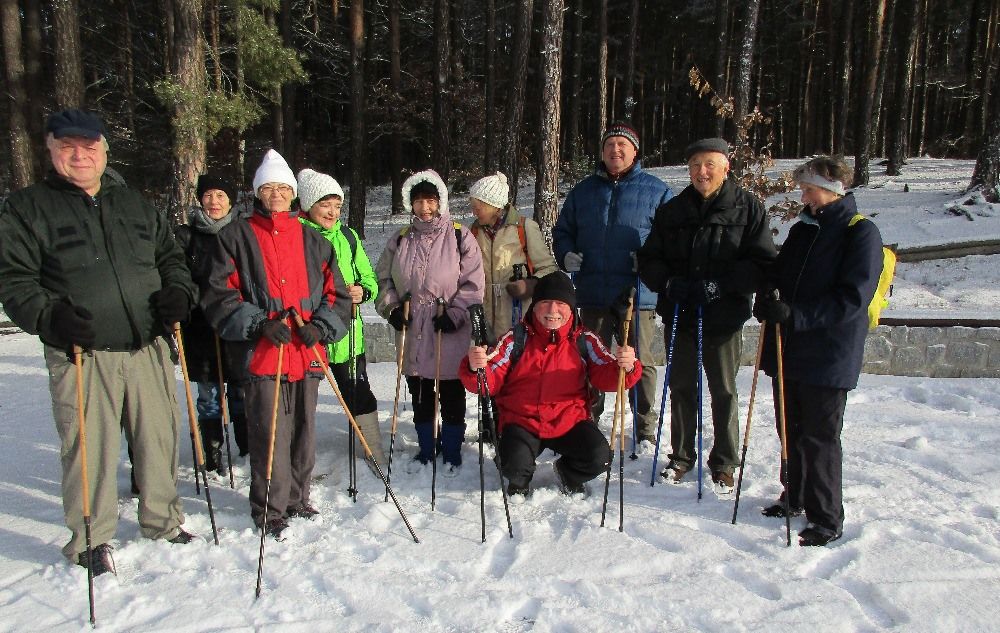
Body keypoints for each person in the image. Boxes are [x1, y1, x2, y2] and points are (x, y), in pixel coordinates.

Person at [0, 108, 196, 576]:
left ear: (105, 150)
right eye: (68, 147)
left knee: (158, 437)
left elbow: (171, 258)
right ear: (50, 149)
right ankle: (91, 537)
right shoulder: (27, 208)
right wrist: (50, 317)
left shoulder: (134, 203)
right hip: (81, 351)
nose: (80, 156)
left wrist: (178, 294)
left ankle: (163, 520)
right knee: (89, 446)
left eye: (90, 147)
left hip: (147, 345)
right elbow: (14, 279)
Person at [201, 150, 349, 538]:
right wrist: (259, 324)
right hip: (263, 353)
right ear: (257, 193)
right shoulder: (235, 236)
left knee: (304, 429)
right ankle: (269, 507)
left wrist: (321, 326)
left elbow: (336, 295)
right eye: (269, 187)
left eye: (284, 187)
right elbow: (220, 294)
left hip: (305, 350)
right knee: (270, 431)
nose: (278, 193)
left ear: (293, 192)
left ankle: (299, 498)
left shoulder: (312, 239)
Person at [753, 156, 883, 546]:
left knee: (820, 435)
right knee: (789, 427)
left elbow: (852, 298)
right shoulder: (804, 229)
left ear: (832, 187)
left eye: (808, 187)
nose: (803, 194)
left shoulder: (860, 233)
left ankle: (826, 516)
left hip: (828, 352)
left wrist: (796, 315)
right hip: (789, 348)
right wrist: (766, 300)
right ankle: (794, 495)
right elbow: (778, 274)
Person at [638, 137, 777, 492]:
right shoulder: (674, 210)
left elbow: (761, 262)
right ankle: (681, 455)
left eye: (710, 164)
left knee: (724, 390)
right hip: (681, 314)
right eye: (696, 164)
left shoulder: (747, 208)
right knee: (682, 387)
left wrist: (721, 286)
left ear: (726, 167)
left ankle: (725, 461)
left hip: (723, 317)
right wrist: (668, 284)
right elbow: (650, 259)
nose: (702, 171)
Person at [458, 272, 641, 496]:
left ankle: (569, 473)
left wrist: (626, 366)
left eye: (561, 304)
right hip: (522, 421)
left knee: (599, 457)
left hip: (569, 421)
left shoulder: (585, 340)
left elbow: (608, 374)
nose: (553, 311)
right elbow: (489, 380)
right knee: (513, 465)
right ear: (534, 306)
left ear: (571, 309)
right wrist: (476, 367)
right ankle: (518, 480)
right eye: (545, 303)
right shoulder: (515, 339)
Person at [552, 121, 673, 446]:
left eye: (622, 145)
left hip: (638, 292)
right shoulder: (583, 191)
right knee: (592, 358)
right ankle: (587, 421)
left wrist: (651, 260)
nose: (615, 151)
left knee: (639, 361)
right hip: (592, 293)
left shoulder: (657, 191)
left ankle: (645, 429)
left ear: (634, 151)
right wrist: (566, 255)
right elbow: (562, 231)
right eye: (609, 146)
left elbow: (671, 239)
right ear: (602, 152)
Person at [375, 169, 485, 476]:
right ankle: (427, 445)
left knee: (451, 391)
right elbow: (382, 278)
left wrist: (455, 314)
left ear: (441, 202)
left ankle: (451, 447)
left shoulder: (460, 235)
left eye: (431, 201)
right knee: (420, 391)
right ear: (410, 204)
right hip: (413, 330)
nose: (425, 208)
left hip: (447, 327)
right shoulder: (399, 239)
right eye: (419, 201)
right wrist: (391, 308)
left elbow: (474, 283)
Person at [296, 168, 385, 470]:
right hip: (308, 335)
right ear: (308, 205)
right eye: (325, 205)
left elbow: (369, 276)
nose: (333, 212)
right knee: (301, 400)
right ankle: (295, 458)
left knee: (358, 392)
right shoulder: (295, 236)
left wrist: (363, 290)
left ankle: (372, 451)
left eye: (337, 205)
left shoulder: (348, 236)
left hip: (348, 333)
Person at [174, 174, 249, 471]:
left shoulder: (242, 232)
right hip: (200, 326)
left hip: (236, 322)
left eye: (220, 195)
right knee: (208, 393)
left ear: (230, 200)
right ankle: (212, 453)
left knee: (241, 389)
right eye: (208, 196)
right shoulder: (186, 236)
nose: (214, 202)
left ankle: (246, 448)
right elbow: (176, 273)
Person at [467, 171, 558, 343]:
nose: (474, 212)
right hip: (484, 316)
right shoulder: (474, 232)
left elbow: (548, 268)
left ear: (494, 205)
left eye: (478, 207)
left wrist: (530, 284)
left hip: (517, 315)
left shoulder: (524, 228)